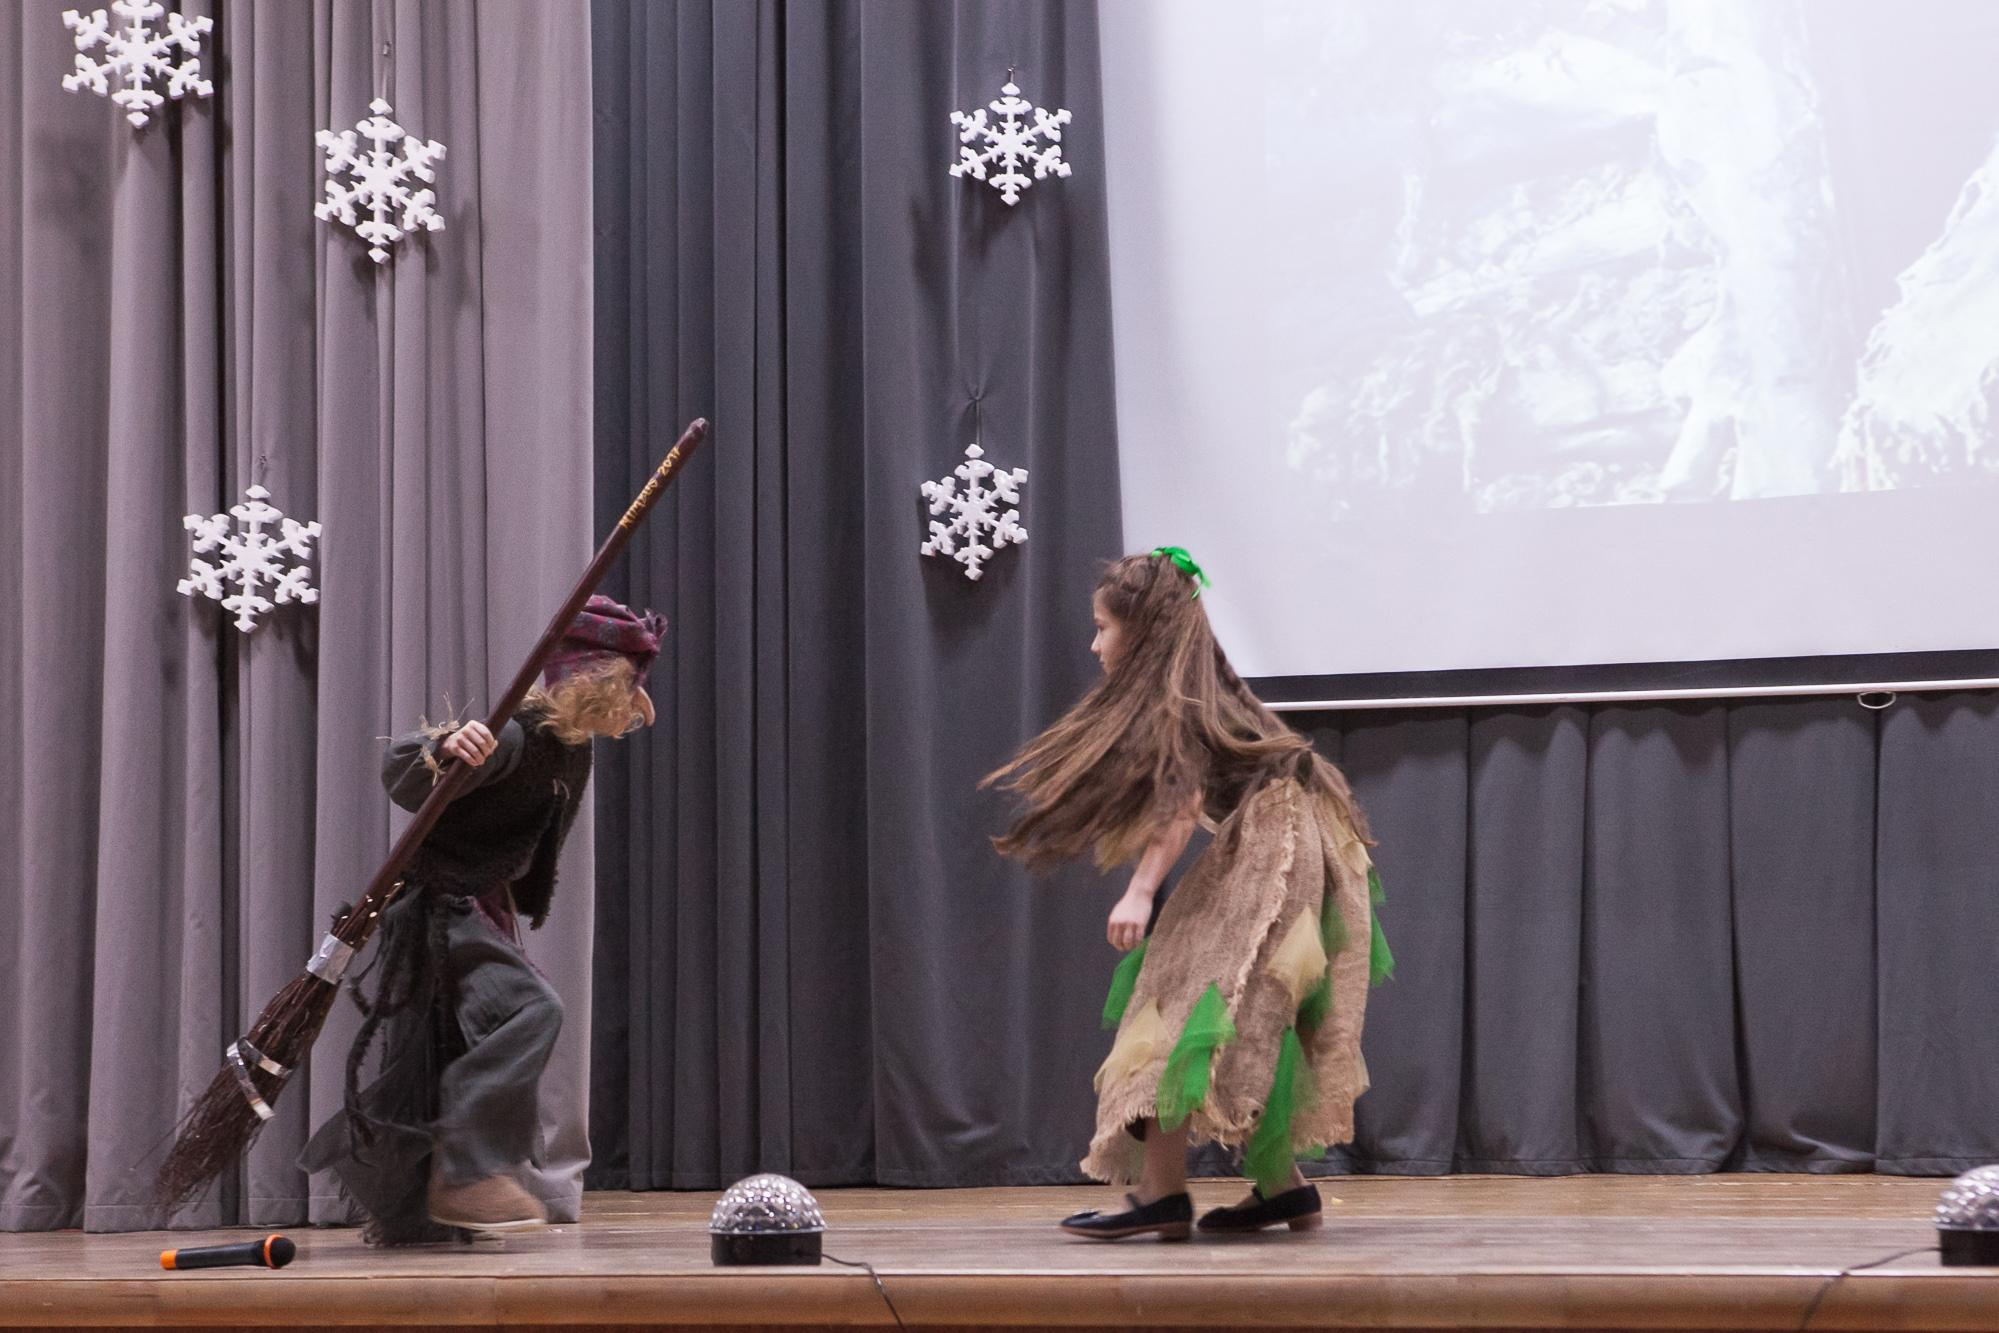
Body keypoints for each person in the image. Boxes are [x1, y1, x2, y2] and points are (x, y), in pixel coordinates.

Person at [986, 548, 1390, 1240]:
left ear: (1140, 631)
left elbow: (1180, 807)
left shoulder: (1177, 695)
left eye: (1102, 627)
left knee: (1178, 997)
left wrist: (1139, 892)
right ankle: (1278, 1188)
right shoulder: (1198, 685)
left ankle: (1162, 1191)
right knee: (1244, 1006)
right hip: (1297, 840)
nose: (1094, 642)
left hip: (1277, 844)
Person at [302, 595, 665, 1244]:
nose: (639, 710)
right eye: (630, 689)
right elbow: (404, 772)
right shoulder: (518, 735)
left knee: (450, 1048)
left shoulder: (570, 747)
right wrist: (444, 747)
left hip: (476, 906)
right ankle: (467, 1169)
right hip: (441, 906)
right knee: (535, 1010)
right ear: (595, 683)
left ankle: (423, 1212)